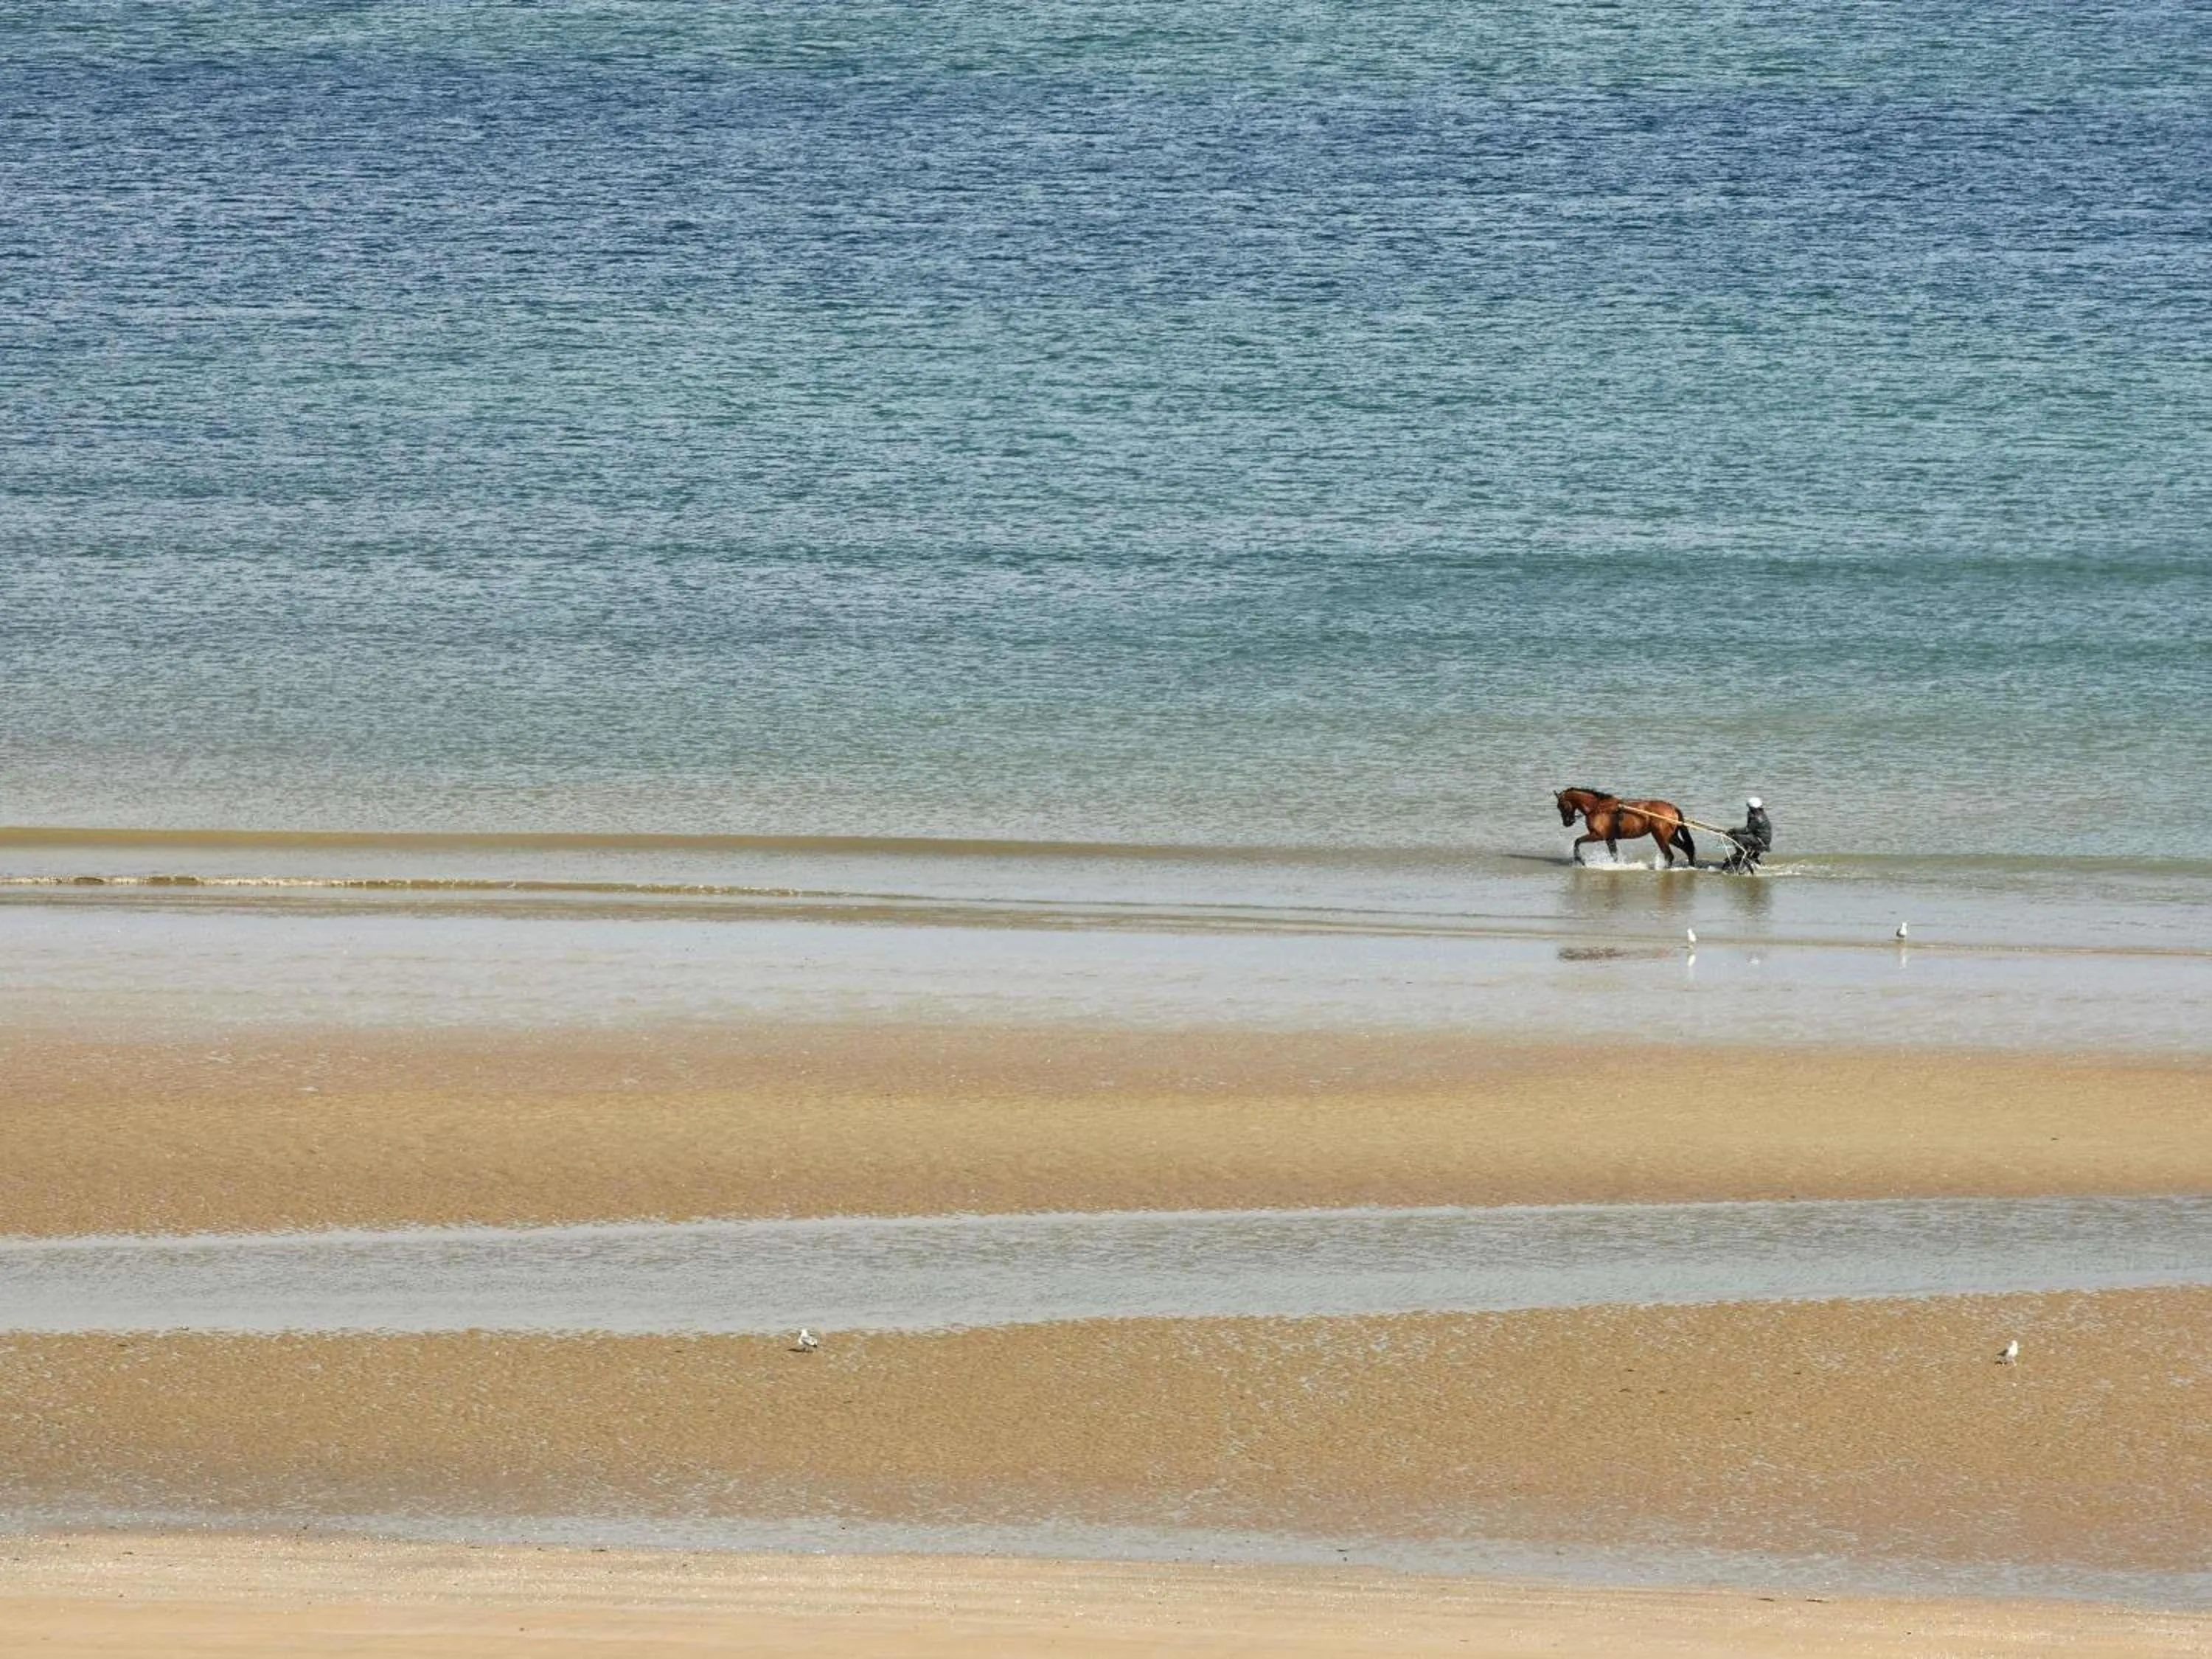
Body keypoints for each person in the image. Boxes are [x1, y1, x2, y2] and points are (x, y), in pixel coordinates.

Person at [1722, 796, 1772, 873]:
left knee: (1736, 837)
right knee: (1742, 837)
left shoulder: (1756, 817)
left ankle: (1740, 854)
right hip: (1763, 839)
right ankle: (1746, 855)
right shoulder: (1761, 815)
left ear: (1752, 808)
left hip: (1760, 840)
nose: (1749, 809)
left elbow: (1747, 830)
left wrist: (1734, 830)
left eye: (1749, 808)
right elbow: (1750, 830)